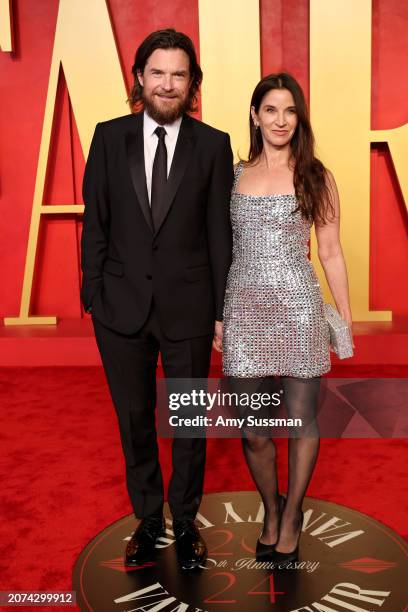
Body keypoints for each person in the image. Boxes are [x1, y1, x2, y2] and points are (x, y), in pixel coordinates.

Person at [80, 28, 233, 569]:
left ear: (192, 84)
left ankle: (186, 522)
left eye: (180, 74)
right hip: (119, 308)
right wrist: (92, 293)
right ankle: (147, 519)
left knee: (189, 423)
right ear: (139, 78)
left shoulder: (214, 145)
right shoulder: (107, 137)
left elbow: (220, 233)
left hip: (189, 309)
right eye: (158, 72)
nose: (168, 84)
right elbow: (94, 221)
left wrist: (220, 312)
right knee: (135, 419)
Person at [222, 73, 352, 563]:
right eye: (271, 109)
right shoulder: (233, 174)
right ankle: (270, 508)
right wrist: (218, 318)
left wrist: (344, 315)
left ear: (300, 118)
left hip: (298, 309)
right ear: (255, 115)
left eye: (290, 110)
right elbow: (219, 248)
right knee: (253, 427)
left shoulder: (316, 174)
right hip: (244, 310)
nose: (280, 120)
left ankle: (292, 512)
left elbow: (332, 252)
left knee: (300, 419)